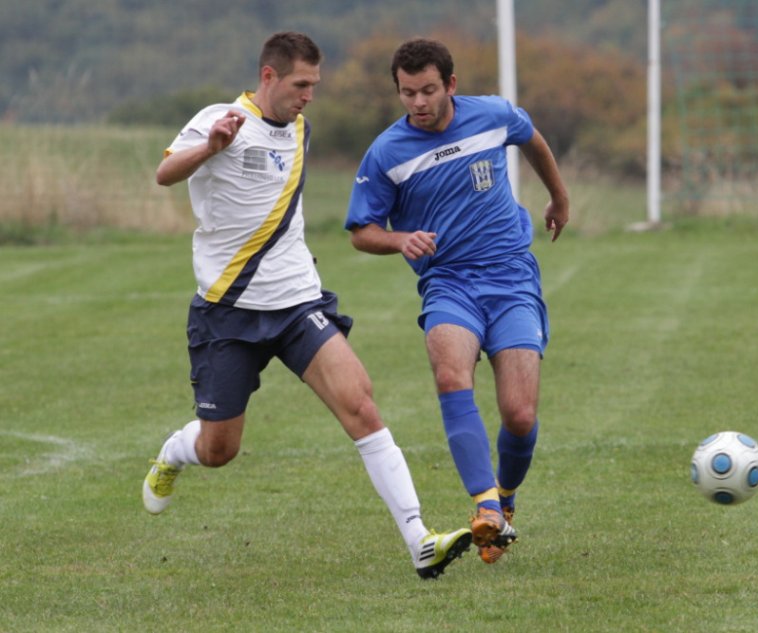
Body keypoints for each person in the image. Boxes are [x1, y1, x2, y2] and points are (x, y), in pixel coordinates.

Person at [141, 31, 471, 580]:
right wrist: (211, 148)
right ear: (268, 76)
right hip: (229, 311)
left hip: (298, 302)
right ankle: (176, 451)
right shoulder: (221, 119)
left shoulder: (300, 128)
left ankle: (420, 540)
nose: (308, 95)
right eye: (300, 84)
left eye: (314, 84)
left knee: (361, 405)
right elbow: (165, 173)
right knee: (220, 449)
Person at [345, 38, 570, 564]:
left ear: (450, 84)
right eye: (407, 93)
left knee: (519, 415)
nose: (418, 102)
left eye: (427, 90)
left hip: (511, 277)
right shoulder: (387, 153)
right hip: (448, 282)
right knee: (451, 375)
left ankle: (505, 499)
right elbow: (361, 231)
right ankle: (485, 505)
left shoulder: (491, 115)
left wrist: (558, 197)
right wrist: (400, 239)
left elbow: (530, 136)